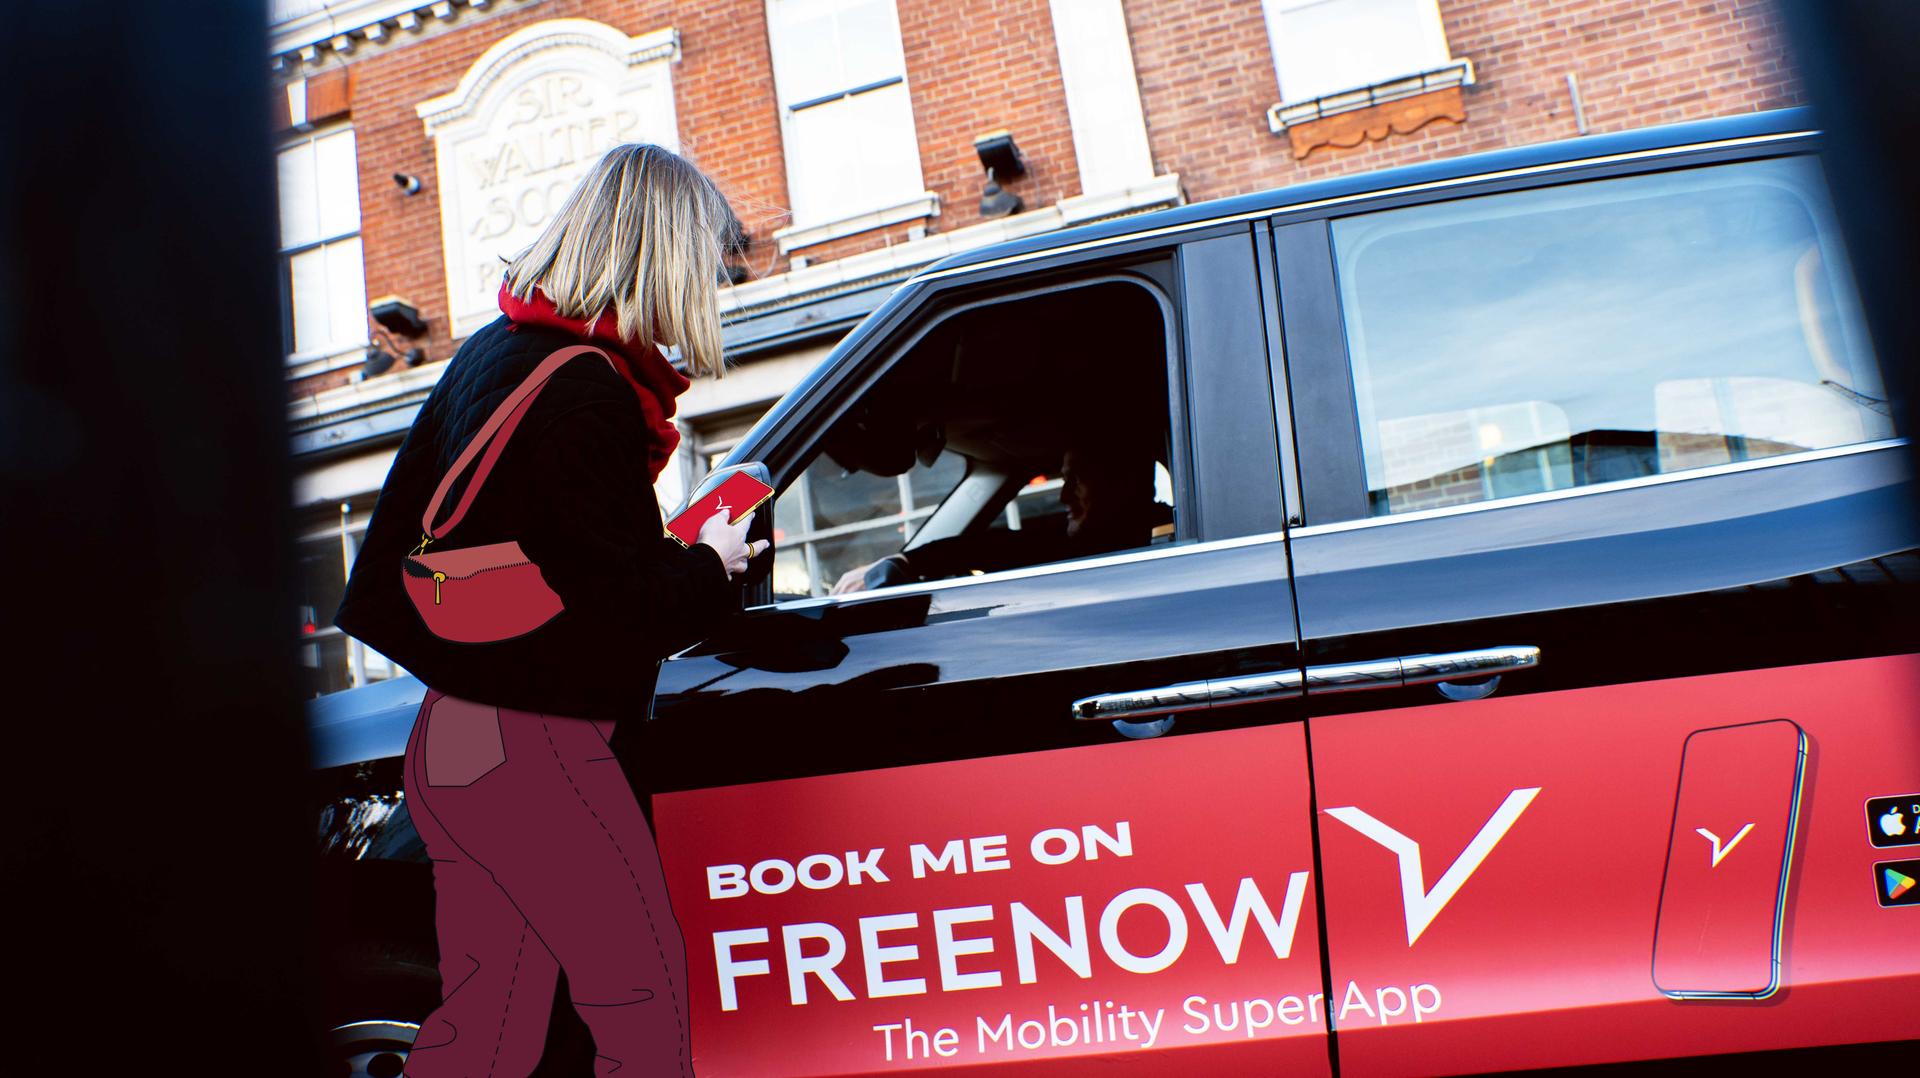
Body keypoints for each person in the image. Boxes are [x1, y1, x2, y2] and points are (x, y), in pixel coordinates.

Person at [333, 144, 759, 1076]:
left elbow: (501, 557)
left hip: (459, 737)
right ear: (663, 256)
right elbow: (622, 605)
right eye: (708, 267)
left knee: (485, 1031)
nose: (711, 293)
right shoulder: (584, 392)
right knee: (642, 1013)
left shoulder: (499, 356)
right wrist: (711, 566)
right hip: (539, 751)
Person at [831, 432, 1167, 595]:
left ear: (1124, 482)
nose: (1064, 495)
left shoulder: (1167, 545)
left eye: (1077, 479)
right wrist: (908, 562)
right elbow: (1000, 547)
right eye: (1064, 479)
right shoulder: (1084, 544)